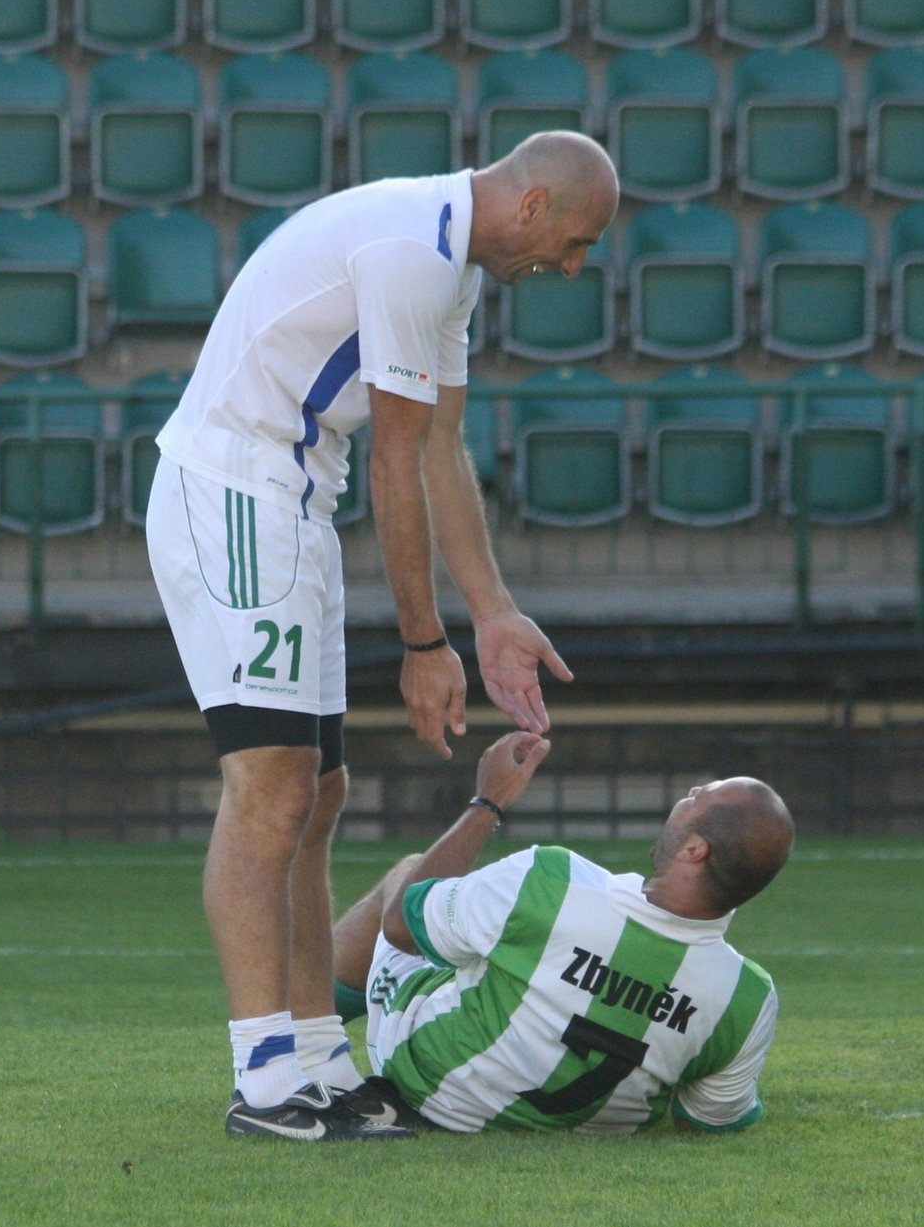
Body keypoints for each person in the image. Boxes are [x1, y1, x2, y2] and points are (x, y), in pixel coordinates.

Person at [145, 132, 621, 1140]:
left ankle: (317, 1054)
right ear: (532, 207)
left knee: (318, 792)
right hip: (237, 488)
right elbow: (398, 459)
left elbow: (442, 447)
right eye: (576, 242)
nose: (572, 266)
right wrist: (421, 642)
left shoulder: (450, 265)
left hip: (296, 501)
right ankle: (263, 1072)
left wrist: (492, 613)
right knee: (269, 785)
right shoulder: (415, 250)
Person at [332, 731, 795, 1134]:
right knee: (498, 943)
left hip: (427, 1083)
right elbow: (711, 1117)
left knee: (412, 877)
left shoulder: (552, 879)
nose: (689, 793)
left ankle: (303, 1032)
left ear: (695, 849)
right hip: (582, 1127)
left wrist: (487, 801)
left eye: (698, 797)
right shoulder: (748, 998)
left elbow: (401, 927)